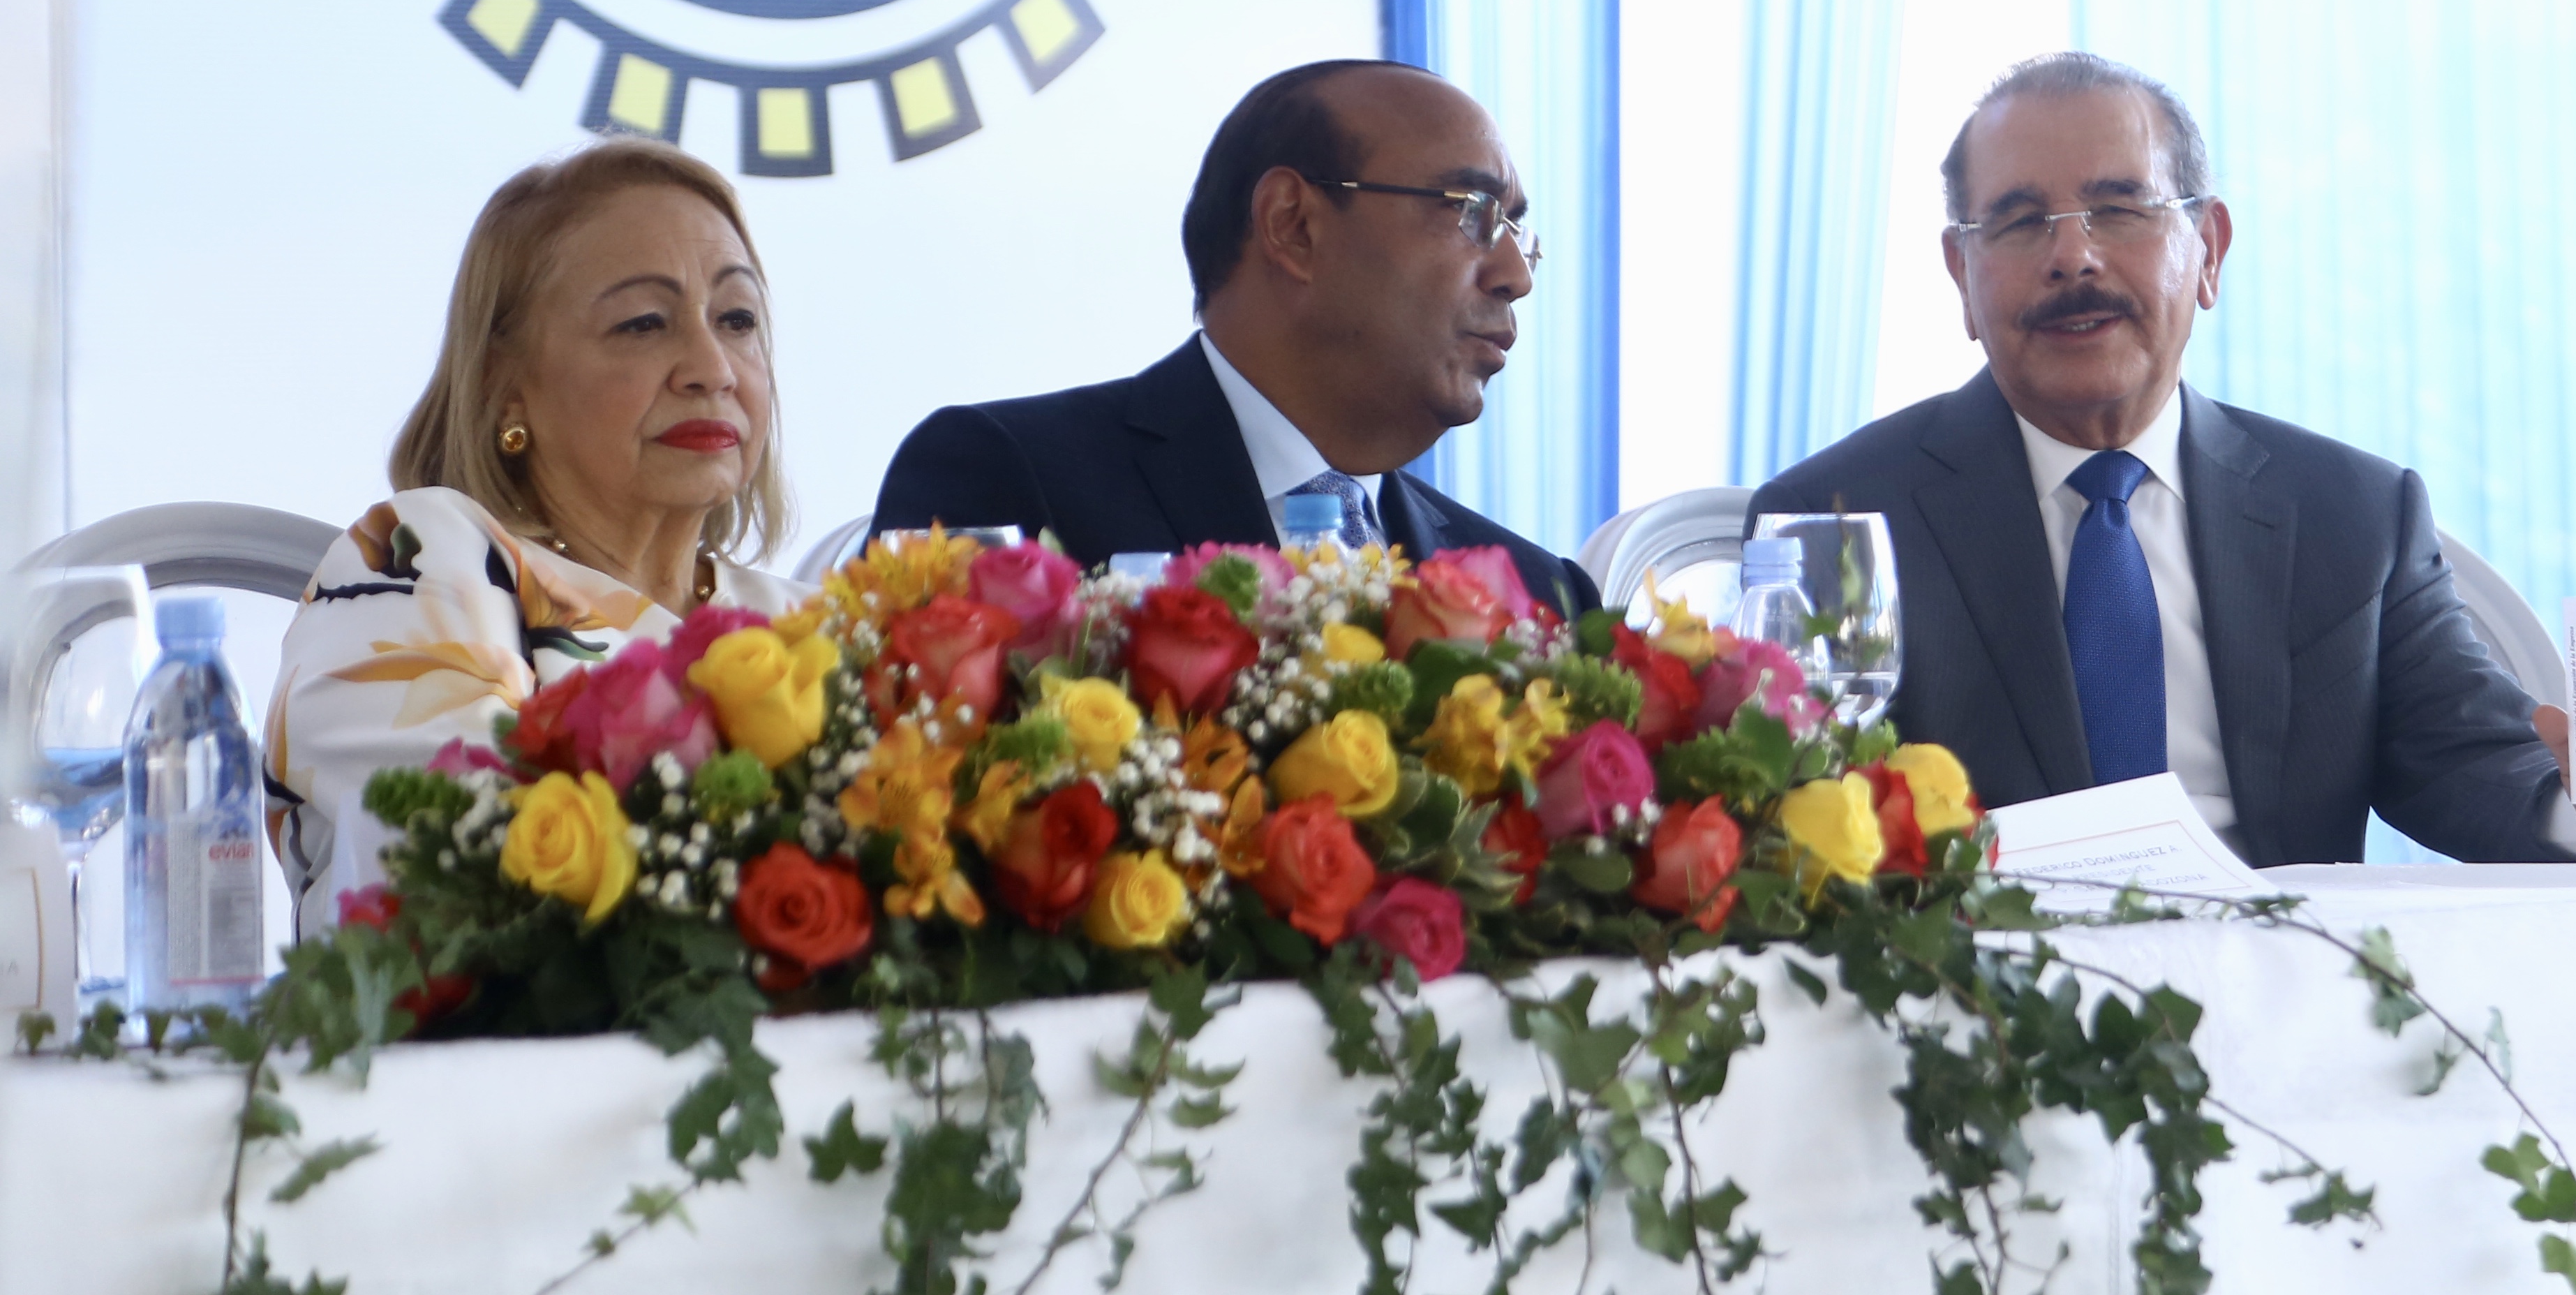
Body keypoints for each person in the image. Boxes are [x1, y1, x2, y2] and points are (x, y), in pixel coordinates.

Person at [1747, 53, 2576, 866]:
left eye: (2119, 209)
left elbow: (2465, 763)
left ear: (2208, 249)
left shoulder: (2352, 515)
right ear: (1961, 275)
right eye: (2018, 221)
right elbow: (1787, 817)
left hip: (2285, 1000)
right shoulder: (1837, 516)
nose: (2072, 258)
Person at [267, 140, 807, 925]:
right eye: (644, 323)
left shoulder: (810, 624)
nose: (711, 367)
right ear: (505, 384)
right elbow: (481, 892)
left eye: (737, 319)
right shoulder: (424, 558)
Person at [874, 60, 1594, 615]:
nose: (1514, 275)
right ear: (1293, 225)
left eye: (1517, 230)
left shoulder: (1536, 592)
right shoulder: (1007, 482)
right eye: (1473, 211)